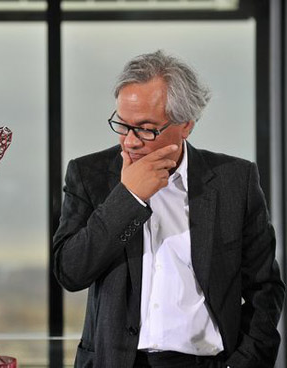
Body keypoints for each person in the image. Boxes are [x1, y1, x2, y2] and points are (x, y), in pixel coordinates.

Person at [53, 50, 285, 368]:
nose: (129, 142)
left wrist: (244, 363)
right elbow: (71, 272)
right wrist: (129, 196)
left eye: (146, 128)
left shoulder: (236, 180)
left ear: (186, 125)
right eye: (122, 124)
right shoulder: (88, 174)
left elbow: (265, 288)